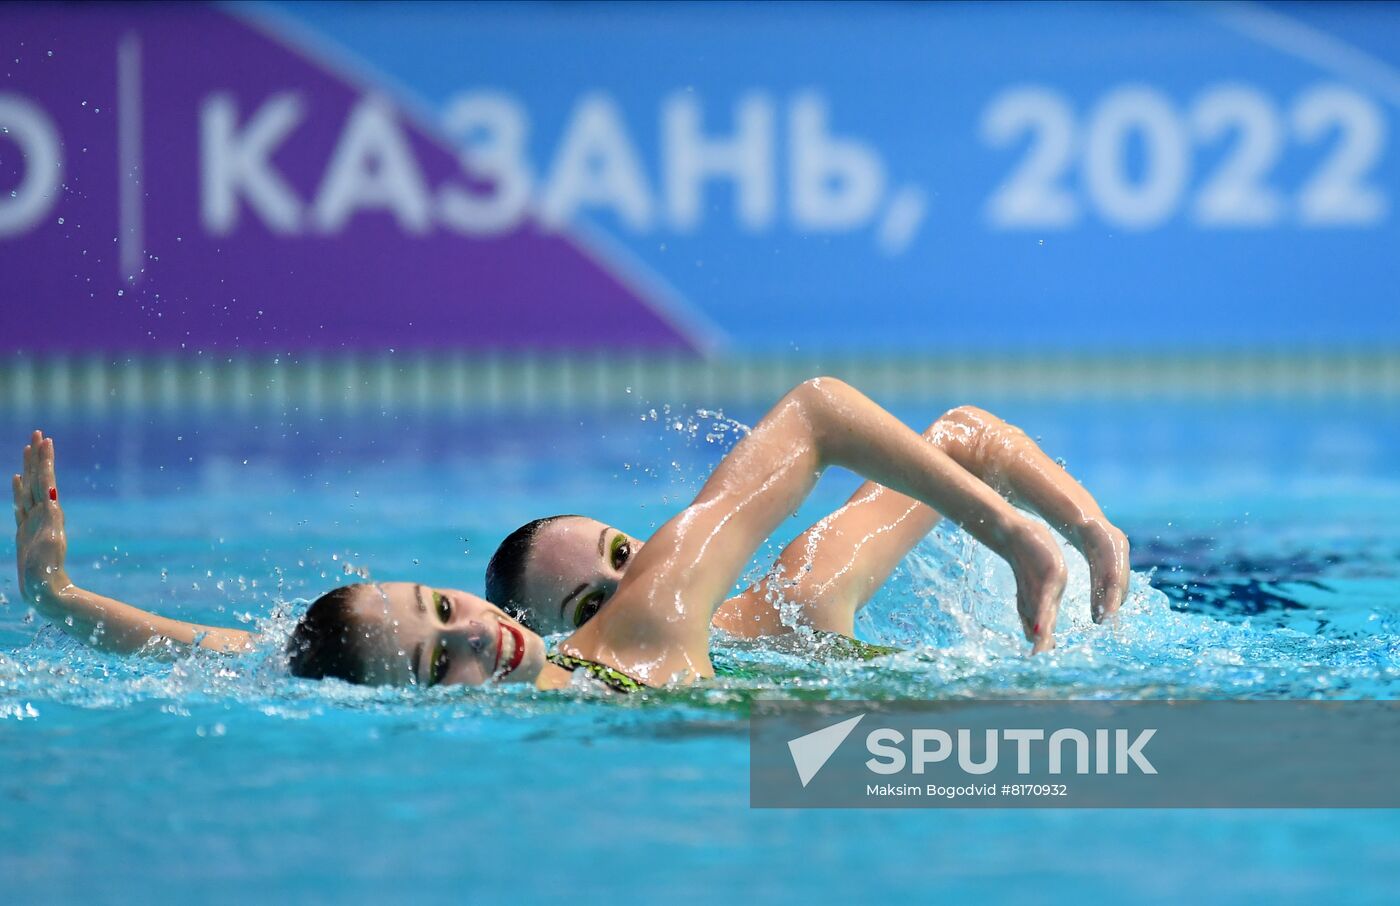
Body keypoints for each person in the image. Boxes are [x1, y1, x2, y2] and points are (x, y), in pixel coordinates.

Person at [12, 378, 1125, 692]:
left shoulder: (669, 623)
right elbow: (242, 654)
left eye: (447, 612)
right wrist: (62, 603)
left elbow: (827, 410)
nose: (468, 641)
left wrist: (1044, 534)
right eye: (430, 658)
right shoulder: (604, 673)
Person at [487, 406, 1129, 642]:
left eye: (623, 554)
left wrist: (1091, 529)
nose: (631, 591)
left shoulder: (796, 597)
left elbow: (962, 435)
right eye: (593, 604)